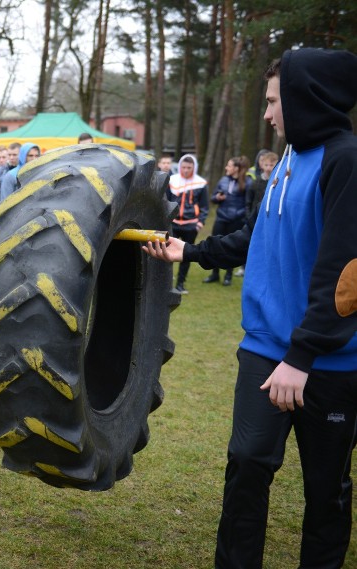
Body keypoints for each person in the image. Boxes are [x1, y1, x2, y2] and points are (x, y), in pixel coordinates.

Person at [142, 48, 357, 569]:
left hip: (327, 362)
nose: (267, 113)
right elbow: (255, 235)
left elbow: (345, 276)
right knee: (246, 465)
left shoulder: (346, 160)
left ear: (307, 99)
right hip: (263, 351)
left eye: (273, 101)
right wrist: (190, 250)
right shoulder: (286, 159)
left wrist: (301, 359)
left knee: (326, 488)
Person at [202, 155, 252, 286]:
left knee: (231, 247)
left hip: (236, 220)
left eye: (229, 165)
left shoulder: (247, 182)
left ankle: (228, 275)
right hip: (221, 218)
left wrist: (239, 215)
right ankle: (214, 274)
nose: (226, 168)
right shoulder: (223, 180)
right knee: (215, 244)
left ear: (236, 168)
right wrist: (217, 198)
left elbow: (247, 203)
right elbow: (213, 199)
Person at [166, 154, 208, 294]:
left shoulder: (200, 183)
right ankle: (165, 283)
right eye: (183, 167)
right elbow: (166, 201)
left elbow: (204, 205)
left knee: (186, 255)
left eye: (189, 167)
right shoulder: (172, 180)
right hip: (174, 223)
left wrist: (200, 223)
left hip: (191, 225)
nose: (186, 170)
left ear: (194, 167)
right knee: (167, 253)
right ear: (179, 166)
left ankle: (180, 284)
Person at [245, 150, 278, 219]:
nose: (268, 168)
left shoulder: (279, 183)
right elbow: (248, 201)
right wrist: (249, 216)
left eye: (271, 165)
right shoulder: (256, 182)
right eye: (266, 165)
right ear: (262, 165)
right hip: (255, 216)